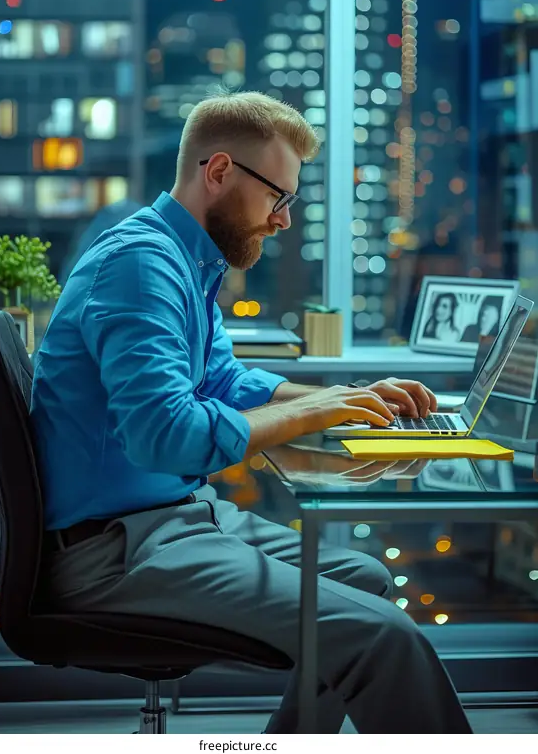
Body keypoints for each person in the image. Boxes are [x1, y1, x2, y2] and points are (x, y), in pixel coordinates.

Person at [31, 91, 472, 734]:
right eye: (278, 197)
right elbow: (169, 436)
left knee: (369, 580)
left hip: (170, 522)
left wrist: (354, 403)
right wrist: (321, 408)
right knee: (387, 638)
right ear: (218, 173)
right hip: (114, 552)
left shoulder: (184, 260)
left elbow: (223, 380)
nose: (284, 220)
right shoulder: (138, 265)